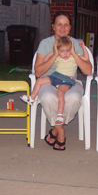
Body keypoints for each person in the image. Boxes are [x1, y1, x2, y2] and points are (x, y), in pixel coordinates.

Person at [34, 11, 93, 151]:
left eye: (66, 25)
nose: (62, 28)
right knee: (48, 97)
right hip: (50, 80)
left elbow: (88, 71)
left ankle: (55, 130)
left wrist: (73, 52)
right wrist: (55, 55)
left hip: (70, 81)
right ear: (53, 26)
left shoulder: (76, 43)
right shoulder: (45, 43)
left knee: (73, 97)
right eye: (59, 24)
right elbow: (38, 72)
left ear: (70, 27)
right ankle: (61, 132)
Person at [20, 36, 89, 126]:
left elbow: (86, 58)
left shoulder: (73, 57)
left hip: (67, 79)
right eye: (62, 51)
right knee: (40, 80)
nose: (65, 54)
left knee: (60, 93)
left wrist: (82, 48)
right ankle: (32, 98)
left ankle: (60, 115)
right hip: (56, 76)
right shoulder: (58, 57)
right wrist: (54, 52)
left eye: (67, 51)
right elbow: (45, 60)